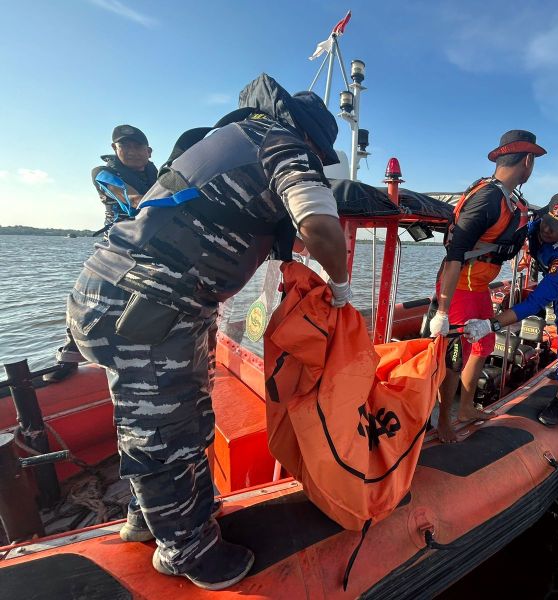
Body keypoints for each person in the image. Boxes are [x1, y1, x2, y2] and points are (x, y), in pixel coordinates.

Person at [65, 73, 352, 591]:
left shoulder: (237, 138)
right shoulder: (283, 143)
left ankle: (147, 520)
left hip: (144, 302)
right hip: (146, 308)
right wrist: (344, 284)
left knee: (177, 418)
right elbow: (319, 224)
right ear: (310, 138)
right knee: (165, 433)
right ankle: (186, 550)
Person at [428, 130, 546, 442]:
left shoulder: (508, 198)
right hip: (460, 289)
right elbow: (455, 254)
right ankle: (443, 421)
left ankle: (465, 408)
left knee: (484, 344)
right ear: (527, 161)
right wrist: (442, 310)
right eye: (533, 164)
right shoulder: (487, 198)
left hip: (478, 286)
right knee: (455, 355)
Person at [463, 191, 558, 426]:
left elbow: (535, 303)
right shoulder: (537, 227)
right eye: (547, 222)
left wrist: (489, 325)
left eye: (555, 229)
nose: (547, 230)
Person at [43, 125, 159, 383]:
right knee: (91, 291)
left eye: (137, 146)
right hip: (118, 243)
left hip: (153, 243)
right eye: (124, 146)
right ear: (114, 149)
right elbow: (135, 200)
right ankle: (70, 354)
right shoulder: (104, 174)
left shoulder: (157, 173)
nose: (131, 151)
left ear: (149, 151)